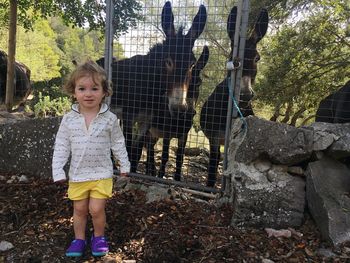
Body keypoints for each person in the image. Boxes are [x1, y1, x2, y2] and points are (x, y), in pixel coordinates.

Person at [52, 60, 130, 257]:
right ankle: (79, 239)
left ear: (104, 92)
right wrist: (57, 170)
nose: (88, 93)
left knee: (96, 209)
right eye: (82, 88)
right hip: (77, 175)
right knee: (79, 210)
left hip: (101, 174)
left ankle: (99, 237)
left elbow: (118, 143)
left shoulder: (110, 119)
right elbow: (62, 145)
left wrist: (124, 165)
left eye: (94, 88)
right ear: (74, 91)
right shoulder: (69, 119)